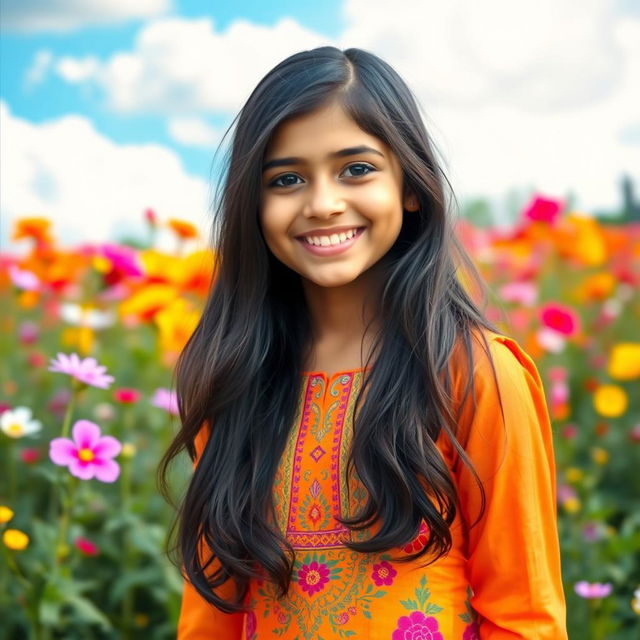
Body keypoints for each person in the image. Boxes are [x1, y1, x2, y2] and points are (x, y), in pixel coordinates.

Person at [159, 46, 568, 639]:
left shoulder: (475, 373)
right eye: (287, 178)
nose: (323, 203)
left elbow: (525, 616)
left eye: (357, 169)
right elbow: (210, 619)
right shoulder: (233, 379)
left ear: (410, 186)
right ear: (253, 202)